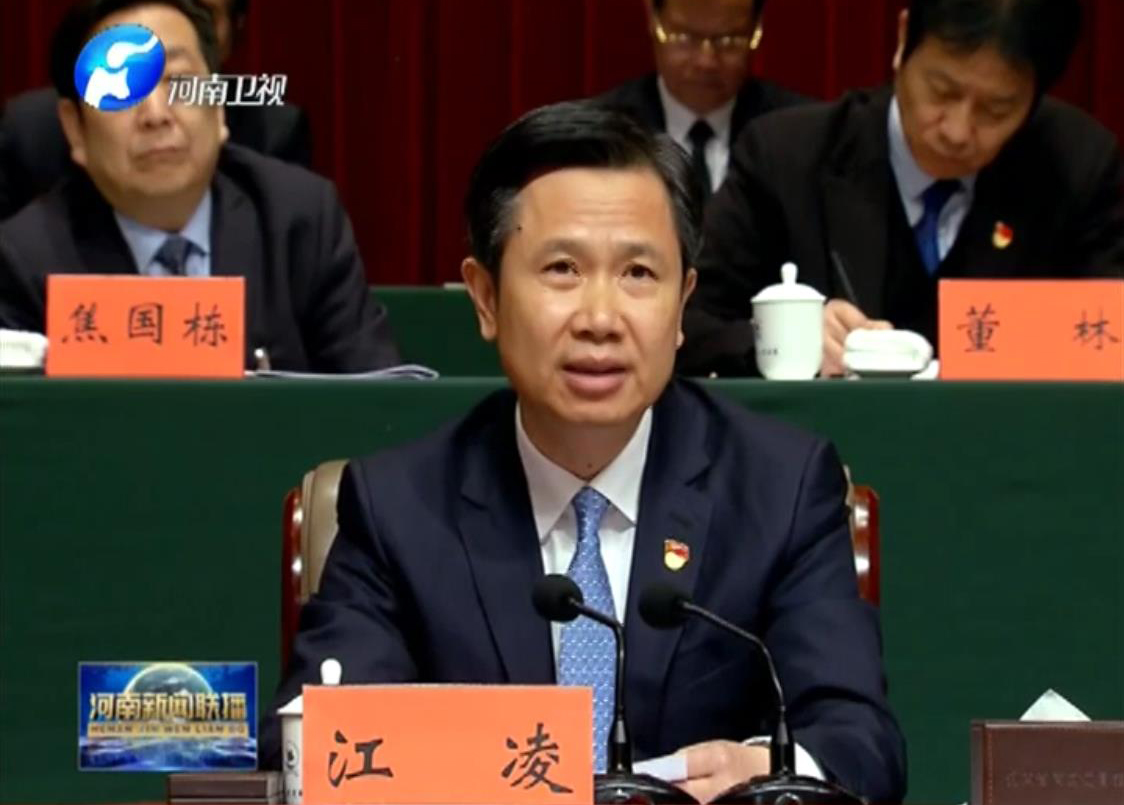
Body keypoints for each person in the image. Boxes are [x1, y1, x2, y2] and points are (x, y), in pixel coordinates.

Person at [262, 101, 906, 803]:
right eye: (563, 269)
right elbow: (312, 743)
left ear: (683, 304)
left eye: (639, 274)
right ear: (485, 297)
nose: (601, 319)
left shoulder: (779, 490)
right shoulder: (399, 507)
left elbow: (858, 741)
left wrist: (775, 772)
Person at [681, 0, 1124, 377]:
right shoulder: (787, 158)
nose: (957, 131)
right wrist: (781, 343)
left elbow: (1109, 337)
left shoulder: (1076, 168)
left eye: (996, 109)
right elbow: (682, 321)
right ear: (903, 39)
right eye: (942, 91)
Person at [0, 0, 398, 373]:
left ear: (219, 105)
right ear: (75, 128)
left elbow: (378, 400)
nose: (156, 115)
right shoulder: (24, 260)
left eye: (179, 82)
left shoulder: (300, 221)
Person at [0, 0, 310, 220]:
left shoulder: (273, 127)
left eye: (199, 11)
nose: (156, 114)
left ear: (235, 29)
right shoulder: (30, 130)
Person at [596, 0, 805, 202]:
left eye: (728, 40)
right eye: (684, 37)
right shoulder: (602, 132)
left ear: (756, 28)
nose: (706, 62)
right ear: (653, 19)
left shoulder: (798, 135)